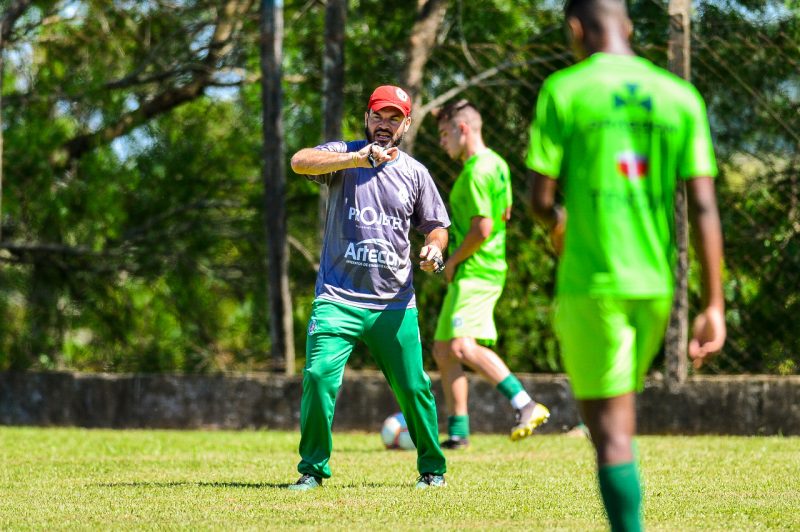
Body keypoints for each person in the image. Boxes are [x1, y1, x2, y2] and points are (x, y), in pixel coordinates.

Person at [527, 1, 726, 530]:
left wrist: (558, 225)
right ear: (629, 25)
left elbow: (539, 198)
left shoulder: (565, 90)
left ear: (575, 29)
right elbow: (704, 204)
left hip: (594, 285)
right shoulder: (679, 96)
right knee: (616, 423)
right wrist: (714, 303)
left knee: (610, 433)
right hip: (655, 287)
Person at [287, 85, 450, 490]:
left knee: (415, 387)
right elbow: (299, 161)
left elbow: (437, 226)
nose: (385, 124)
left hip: (393, 303)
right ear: (367, 118)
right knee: (320, 376)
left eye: (394, 118)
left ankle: (433, 469)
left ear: (406, 124)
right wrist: (355, 158)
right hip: (337, 298)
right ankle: (312, 470)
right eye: (379, 116)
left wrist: (433, 248)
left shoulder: (415, 174)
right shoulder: (344, 155)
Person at [432, 100, 550, 449]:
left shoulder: (476, 172)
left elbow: (482, 228)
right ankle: (458, 433)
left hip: (477, 270)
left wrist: (452, 260)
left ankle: (525, 404)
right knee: (443, 351)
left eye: (444, 134)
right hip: (480, 268)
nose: (442, 142)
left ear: (463, 129)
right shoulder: (497, 164)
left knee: (462, 347)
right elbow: (507, 212)